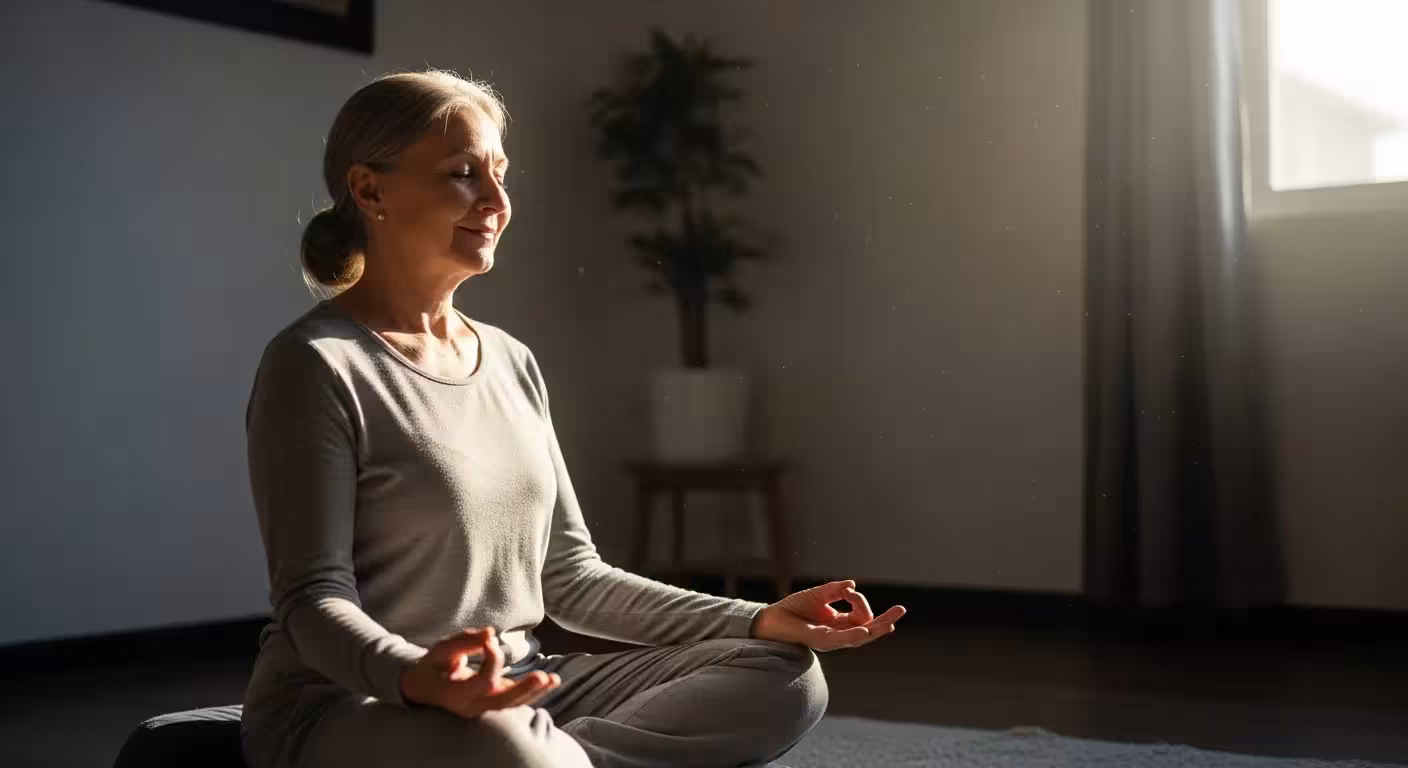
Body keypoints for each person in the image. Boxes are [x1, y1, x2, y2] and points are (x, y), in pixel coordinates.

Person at [239, 69, 906, 768]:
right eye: (464, 174)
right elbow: (311, 601)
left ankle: (563, 761)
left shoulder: (509, 360)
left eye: (500, 174)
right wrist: (415, 676)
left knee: (786, 674)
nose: (496, 201)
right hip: (351, 705)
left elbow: (571, 577)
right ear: (370, 189)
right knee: (512, 750)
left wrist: (757, 619)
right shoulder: (314, 365)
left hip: (522, 693)